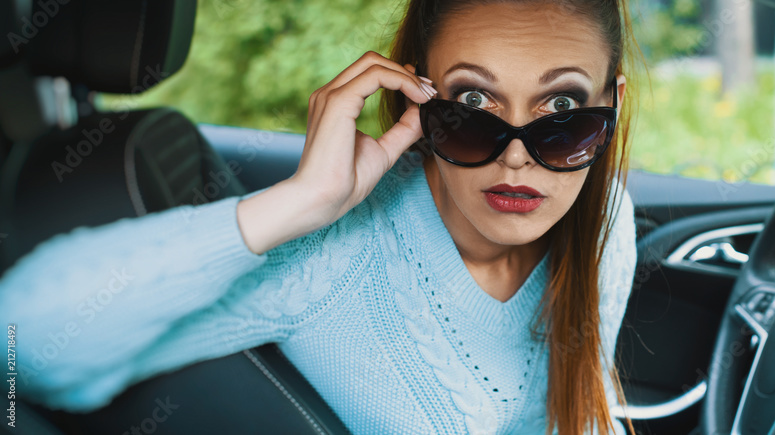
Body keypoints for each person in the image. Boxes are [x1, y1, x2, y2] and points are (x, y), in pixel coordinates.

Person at [0, 0, 641, 433]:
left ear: (611, 105)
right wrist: (303, 201)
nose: (518, 157)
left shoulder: (603, 215)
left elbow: (589, 409)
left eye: (563, 112)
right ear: (416, 97)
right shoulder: (334, 254)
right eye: (473, 102)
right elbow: (19, 344)